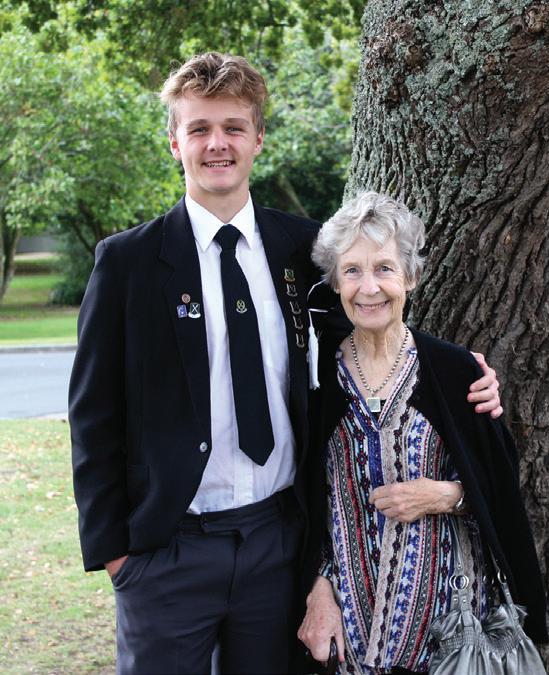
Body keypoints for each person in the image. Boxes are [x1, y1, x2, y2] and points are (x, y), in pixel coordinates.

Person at [69, 53, 503, 675]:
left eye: (234, 127)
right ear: (174, 142)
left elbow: (372, 330)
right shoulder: (127, 262)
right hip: (167, 550)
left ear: (258, 139)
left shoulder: (302, 247)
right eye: (199, 129)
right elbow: (93, 416)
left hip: (277, 545)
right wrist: (117, 556)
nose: (217, 144)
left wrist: (463, 374)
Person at [298, 192, 548, 674]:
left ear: (410, 276)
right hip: (349, 633)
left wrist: (448, 495)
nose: (369, 287)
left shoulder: (455, 372)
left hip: (450, 636)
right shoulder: (315, 377)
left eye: (384, 269)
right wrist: (317, 585)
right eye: (352, 271)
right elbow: (306, 501)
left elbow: (502, 488)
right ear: (335, 282)